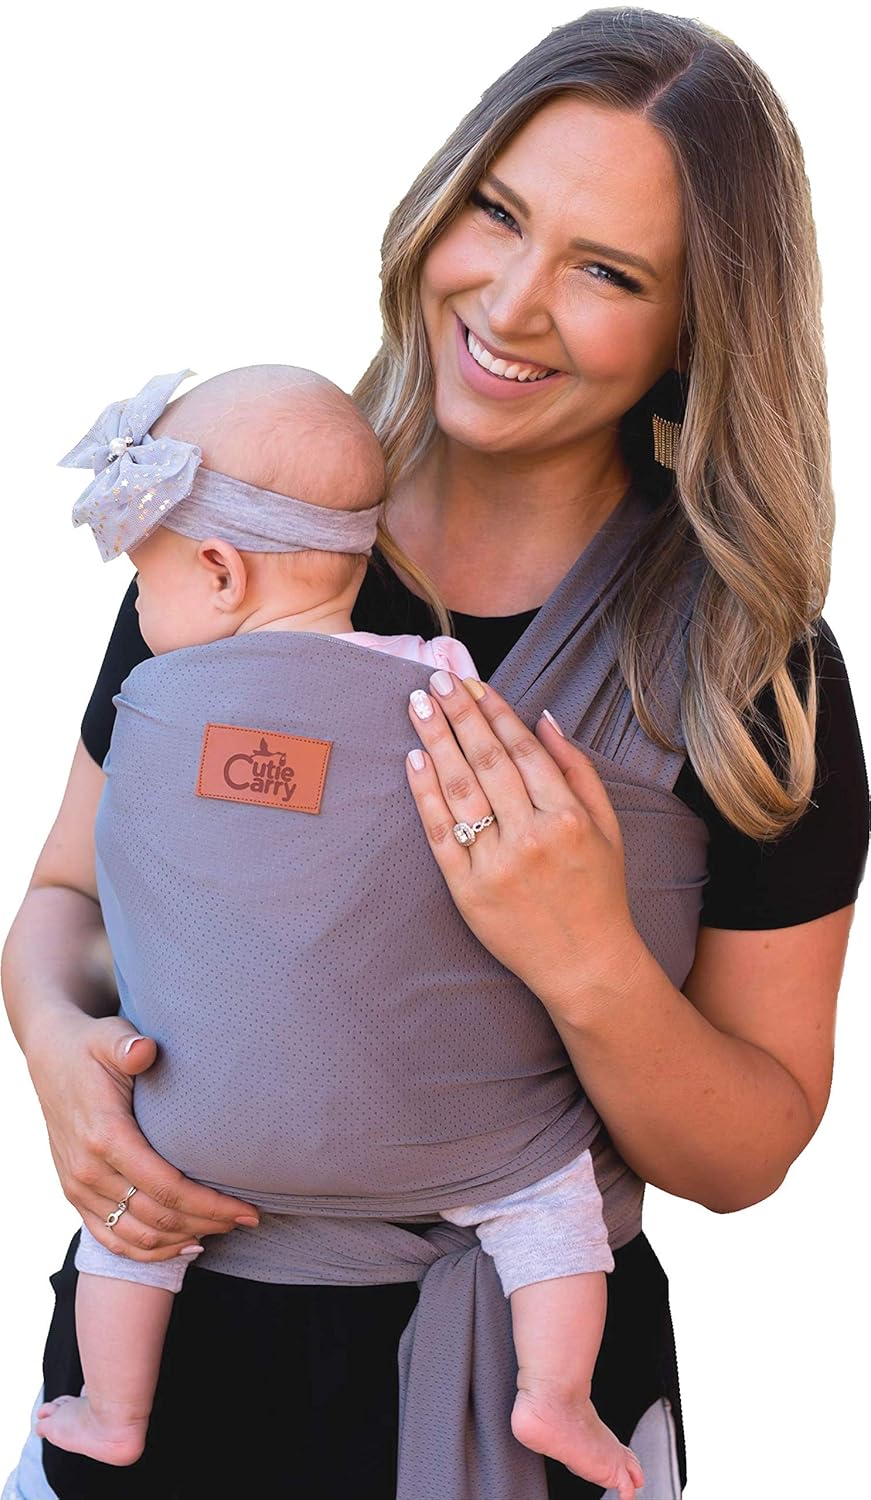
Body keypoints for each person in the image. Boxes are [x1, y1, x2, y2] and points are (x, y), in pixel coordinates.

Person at [2, 9, 868, 1499]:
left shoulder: (745, 669)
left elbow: (745, 1154)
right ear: (438, 202)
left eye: (608, 272)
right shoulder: (242, 552)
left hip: (519, 1386)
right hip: (167, 1363)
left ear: (694, 329)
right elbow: (68, 903)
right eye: (499, 213)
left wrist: (584, 959)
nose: (513, 304)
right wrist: (59, 1057)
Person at [32, 362, 642, 1498]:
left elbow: (87, 888)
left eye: (149, 577)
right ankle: (555, 1395)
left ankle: (112, 1411)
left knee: (127, 1232)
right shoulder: (443, 682)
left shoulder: (154, 704)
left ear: (220, 570)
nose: (143, 611)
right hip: (451, 1137)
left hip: (197, 1131)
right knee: (548, 1204)